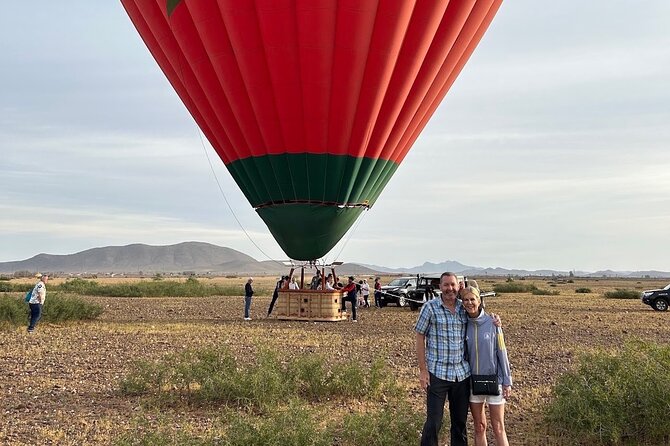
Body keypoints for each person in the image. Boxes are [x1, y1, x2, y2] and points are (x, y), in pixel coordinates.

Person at [415, 272, 501, 446]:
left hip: (461, 375)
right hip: (437, 374)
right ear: (440, 287)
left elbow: (479, 318)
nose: (450, 289)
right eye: (446, 285)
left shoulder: (464, 307)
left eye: (453, 285)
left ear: (459, 286)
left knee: (459, 424)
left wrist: (494, 319)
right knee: (434, 422)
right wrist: (423, 370)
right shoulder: (430, 308)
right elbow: (419, 336)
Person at [461, 285, 512, 446]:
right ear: (462, 303)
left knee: (498, 427)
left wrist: (506, 381)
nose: (469, 303)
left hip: (494, 382)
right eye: (466, 300)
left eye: (472, 299)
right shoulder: (463, 324)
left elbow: (501, 352)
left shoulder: (493, 322)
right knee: (479, 427)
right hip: (473, 384)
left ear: (479, 300)